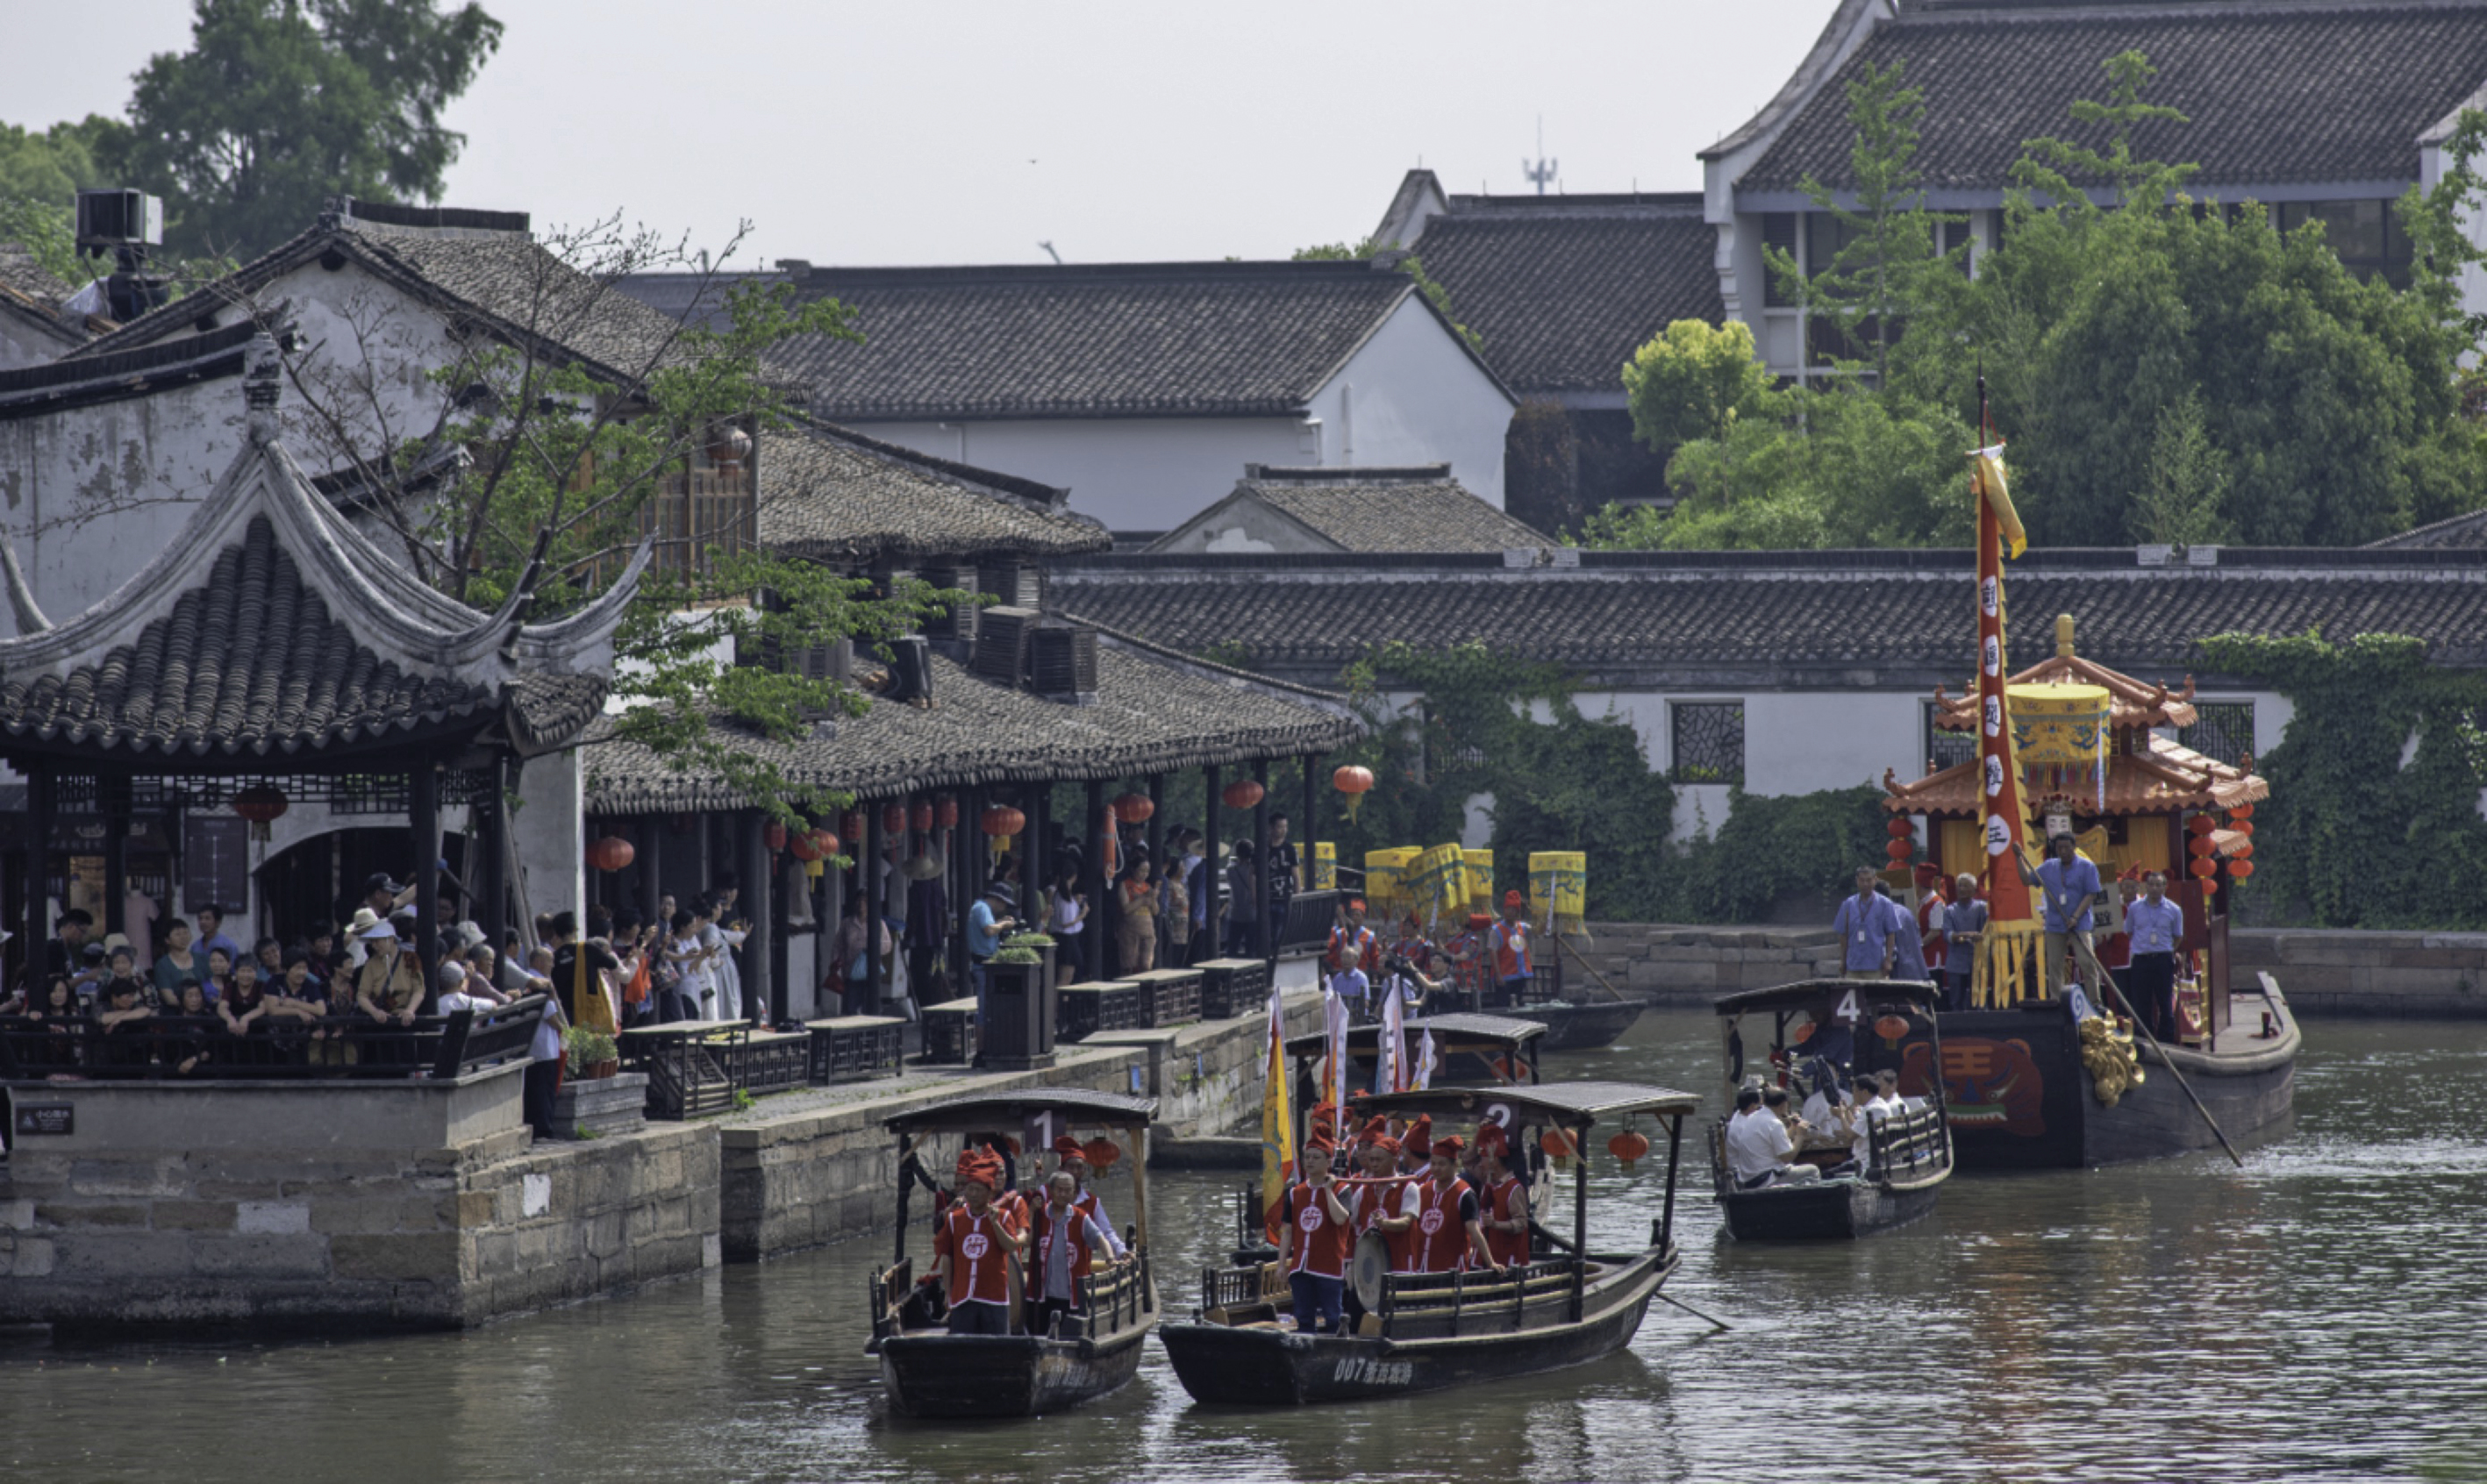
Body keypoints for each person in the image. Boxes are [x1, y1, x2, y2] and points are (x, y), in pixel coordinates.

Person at [932, 1147, 1023, 1335]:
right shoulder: (954, 1219)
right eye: (969, 1189)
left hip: (994, 1298)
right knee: (963, 1349)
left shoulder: (1004, 1217)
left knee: (997, 1350)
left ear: (989, 1194)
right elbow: (947, 1256)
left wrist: (995, 1224)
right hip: (963, 1298)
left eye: (978, 1190)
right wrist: (948, 1293)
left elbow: (1011, 1246)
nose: (972, 1194)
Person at [1276, 1133, 1353, 1335]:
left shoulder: (1342, 1189)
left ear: (1329, 1161)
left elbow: (1340, 1219)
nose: (1309, 1161)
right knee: (1304, 1318)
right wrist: (1282, 1263)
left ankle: (1336, 1353)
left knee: (1333, 1317)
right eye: (1307, 1157)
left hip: (1328, 1266)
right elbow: (1288, 1231)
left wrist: (1327, 1190)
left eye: (1316, 1157)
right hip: (1301, 1266)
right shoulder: (1295, 1192)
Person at [1026, 1169, 1117, 1339]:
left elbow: (1100, 1239)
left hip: (1070, 1295)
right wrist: (1030, 1212)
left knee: (1069, 1337)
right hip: (1041, 1294)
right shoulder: (1040, 1215)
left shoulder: (1081, 1217)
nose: (1063, 1194)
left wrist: (1110, 1258)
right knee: (1037, 1336)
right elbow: (1026, 1239)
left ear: (1074, 1194)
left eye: (1068, 1191)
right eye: (1059, 1190)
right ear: (1051, 1191)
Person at [2019, 832, 2106, 997]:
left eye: (2067, 847)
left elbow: (2091, 894)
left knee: (2087, 962)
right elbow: (2026, 880)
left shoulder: (2087, 867)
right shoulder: (2049, 866)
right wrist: (2018, 858)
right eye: (2060, 848)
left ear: (2074, 847)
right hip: (2055, 923)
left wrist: (2075, 917)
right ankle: (2057, 1001)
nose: (2064, 851)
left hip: (2080, 923)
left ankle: (2095, 1001)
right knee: (2054, 965)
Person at [1408, 1134, 1500, 1274]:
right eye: (1433, 1163)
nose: (1437, 1168)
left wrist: (1491, 1262)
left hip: (1451, 1271)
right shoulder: (1422, 1190)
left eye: (1442, 1164)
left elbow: (1474, 1231)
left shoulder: (1464, 1194)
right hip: (1420, 1268)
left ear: (1455, 1165)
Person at [2123, 869, 2187, 1042]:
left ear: (2165, 887)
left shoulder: (2174, 909)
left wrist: (2167, 950)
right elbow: (2129, 931)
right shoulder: (2134, 908)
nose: (2154, 888)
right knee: (2141, 1003)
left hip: (2163, 960)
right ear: (2145, 886)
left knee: (2165, 1002)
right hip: (2141, 959)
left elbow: (2178, 936)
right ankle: (2145, 1039)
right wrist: (2143, 946)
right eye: (2151, 884)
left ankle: (2166, 1041)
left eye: (2159, 885)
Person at [1050, 1137, 1129, 1259]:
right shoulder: (1047, 1195)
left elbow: (1106, 1232)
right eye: (1071, 1167)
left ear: (1085, 1170)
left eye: (1079, 1167)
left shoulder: (1091, 1202)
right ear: (1062, 1169)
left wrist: (1122, 1252)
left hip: (1080, 1264)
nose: (1075, 1171)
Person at [1832, 867, 1912, 979]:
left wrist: (1888, 960)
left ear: (1875, 880)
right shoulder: (1848, 904)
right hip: (1854, 964)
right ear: (1857, 881)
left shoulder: (1885, 904)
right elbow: (1843, 934)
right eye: (1862, 880)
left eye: (1869, 880)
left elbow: (1891, 934)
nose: (1865, 884)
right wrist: (1843, 960)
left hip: (1876, 965)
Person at [548, 910, 621, 1034]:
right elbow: (612, 964)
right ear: (574, 930)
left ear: (556, 934)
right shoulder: (588, 949)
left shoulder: (554, 956)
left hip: (563, 1010)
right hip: (589, 1009)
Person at [1724, 1087, 1809, 1189]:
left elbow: (1772, 1141)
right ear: (1783, 1105)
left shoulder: (1752, 1116)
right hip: (1765, 1179)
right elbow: (1787, 1158)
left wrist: (1793, 1128)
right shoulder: (1774, 1124)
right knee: (1813, 1170)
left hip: (1750, 1176)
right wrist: (1800, 1135)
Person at [1472, 1124, 1532, 1270]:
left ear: (1495, 1161)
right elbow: (1467, 1160)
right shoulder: (1487, 1184)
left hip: (1505, 1262)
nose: (1480, 1164)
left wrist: (1495, 1224)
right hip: (1484, 1260)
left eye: (1483, 1159)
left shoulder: (1513, 1188)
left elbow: (1521, 1223)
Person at [1940, 873, 1989, 1014]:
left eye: (1965, 886)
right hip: (1956, 962)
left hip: (1978, 960)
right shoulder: (1950, 910)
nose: (1961, 889)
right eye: (1959, 885)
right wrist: (1968, 935)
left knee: (1980, 1001)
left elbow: (1988, 930)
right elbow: (1947, 935)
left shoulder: (1982, 908)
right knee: (1956, 1002)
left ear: (1974, 890)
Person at [967, 882, 1016, 1016]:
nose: (1004, 908)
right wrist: (1005, 923)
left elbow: (990, 927)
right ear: (999, 900)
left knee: (987, 1010)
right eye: (1005, 904)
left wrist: (1000, 921)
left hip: (984, 964)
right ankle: (982, 1037)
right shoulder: (982, 908)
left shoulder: (981, 907)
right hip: (983, 964)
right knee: (984, 1011)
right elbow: (989, 930)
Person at [1488, 890, 1534, 1008]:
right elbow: (1492, 953)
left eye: (1512, 909)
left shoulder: (1523, 928)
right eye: (1507, 908)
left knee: (1518, 1005)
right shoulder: (1496, 930)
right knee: (1503, 1006)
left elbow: (1538, 931)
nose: (1509, 912)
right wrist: (1498, 975)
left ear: (1517, 912)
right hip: (1505, 976)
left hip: (1520, 975)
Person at [1044, 867, 1088, 988]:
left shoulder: (1065, 895)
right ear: (1074, 877)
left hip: (1068, 937)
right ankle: (1056, 1005)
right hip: (1066, 938)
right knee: (1064, 977)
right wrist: (1082, 915)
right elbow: (1066, 922)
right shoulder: (1062, 895)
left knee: (1068, 977)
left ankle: (1063, 1004)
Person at [1117, 858, 1159, 976]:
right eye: (1142, 870)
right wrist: (1142, 899)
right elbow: (1126, 909)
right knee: (1129, 965)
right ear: (1133, 869)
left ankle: (1144, 993)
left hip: (1147, 930)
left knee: (1146, 964)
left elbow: (1155, 911)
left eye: (1147, 871)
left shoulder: (1148, 887)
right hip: (1130, 931)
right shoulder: (1125, 885)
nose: (1144, 874)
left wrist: (1154, 899)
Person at [1326, 899, 1378, 980]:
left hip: (1362, 974)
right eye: (1352, 915)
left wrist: (1375, 977)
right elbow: (1330, 954)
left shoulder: (1370, 936)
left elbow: (1375, 959)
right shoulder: (1339, 934)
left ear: (1363, 917)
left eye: (1357, 915)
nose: (1354, 918)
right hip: (1341, 974)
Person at [1222, 840, 1259, 957]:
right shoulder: (1255, 870)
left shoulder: (1231, 870)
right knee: (1251, 947)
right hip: (1252, 912)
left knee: (1232, 947)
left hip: (1235, 913)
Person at [152, 918, 204, 998]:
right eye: (178, 934)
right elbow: (169, 998)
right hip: (176, 1009)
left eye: (186, 933)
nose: (183, 937)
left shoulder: (202, 959)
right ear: (167, 940)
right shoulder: (162, 965)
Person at [44, 908, 92, 982]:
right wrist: (87, 977)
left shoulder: (67, 949)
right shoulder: (53, 948)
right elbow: (57, 983)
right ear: (71, 926)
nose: (82, 937)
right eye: (82, 932)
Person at [1327, 943, 1371, 1024]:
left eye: (1348, 957)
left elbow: (1365, 1002)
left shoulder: (1361, 978)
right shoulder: (1337, 978)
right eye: (1343, 957)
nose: (1345, 960)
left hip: (1357, 1017)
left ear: (1356, 960)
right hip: (1339, 1017)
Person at [191, 904, 243, 973]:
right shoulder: (195, 946)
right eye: (200, 918)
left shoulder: (228, 945)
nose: (203, 922)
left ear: (218, 922)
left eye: (207, 918)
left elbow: (235, 971)